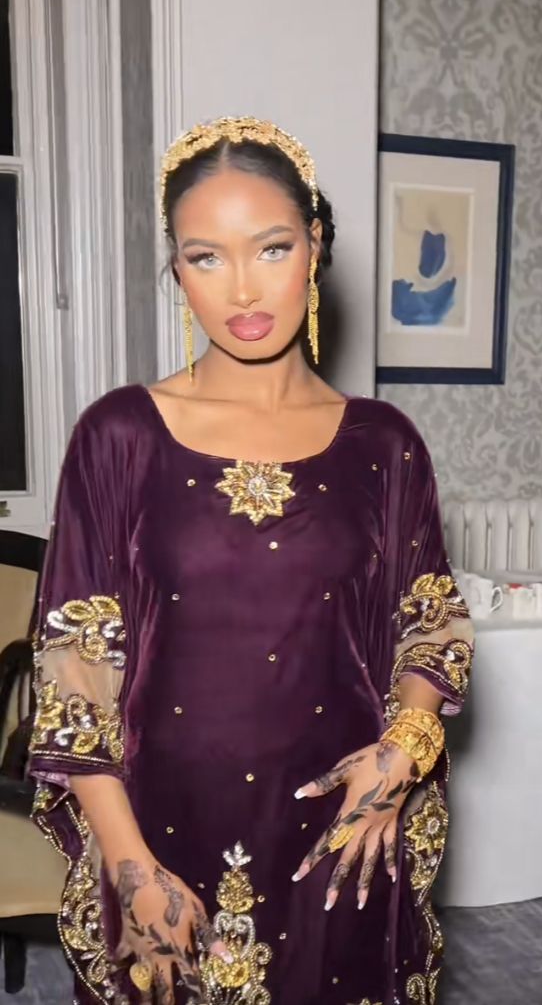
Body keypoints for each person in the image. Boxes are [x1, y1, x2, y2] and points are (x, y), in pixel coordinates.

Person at [28, 117, 474, 1005]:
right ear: (175, 270)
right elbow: (72, 676)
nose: (240, 288)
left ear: (316, 246)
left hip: (343, 822)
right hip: (164, 817)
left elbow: (431, 619)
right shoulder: (120, 433)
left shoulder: (383, 443)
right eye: (204, 257)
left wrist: (403, 749)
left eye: (270, 247)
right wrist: (127, 863)